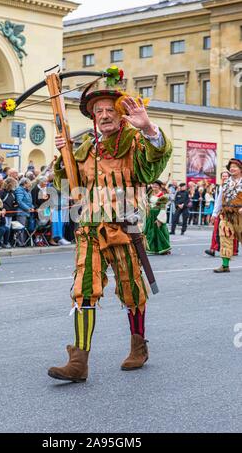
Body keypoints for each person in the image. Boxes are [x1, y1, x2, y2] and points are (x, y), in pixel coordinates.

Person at [47, 81, 172, 383]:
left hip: (124, 228)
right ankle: (79, 361)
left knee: (131, 289)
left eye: (109, 110)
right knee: (84, 289)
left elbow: (151, 169)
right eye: (97, 111)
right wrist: (63, 160)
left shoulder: (134, 142)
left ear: (121, 115)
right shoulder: (86, 147)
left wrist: (150, 129)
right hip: (89, 228)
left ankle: (138, 346)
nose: (103, 115)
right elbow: (69, 187)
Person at [213, 159, 242, 273]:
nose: (232, 168)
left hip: (240, 216)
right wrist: (215, 213)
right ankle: (225, 265)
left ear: (240, 169)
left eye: (235, 166)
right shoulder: (225, 183)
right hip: (226, 215)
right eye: (231, 167)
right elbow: (219, 199)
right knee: (225, 237)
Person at [204, 171, 238, 257]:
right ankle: (213, 248)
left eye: (226, 176)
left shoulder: (233, 185)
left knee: (231, 231)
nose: (224, 177)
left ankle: (233, 250)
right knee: (216, 229)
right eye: (223, 176)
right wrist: (214, 214)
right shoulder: (220, 187)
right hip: (221, 211)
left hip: (232, 211)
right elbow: (218, 201)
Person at [144, 181, 171, 255]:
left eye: (156, 185)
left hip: (158, 214)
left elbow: (163, 208)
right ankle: (151, 248)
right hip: (150, 215)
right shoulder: (150, 193)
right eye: (153, 185)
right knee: (150, 231)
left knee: (160, 231)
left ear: (159, 186)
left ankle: (163, 248)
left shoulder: (162, 196)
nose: (154, 186)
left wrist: (160, 219)